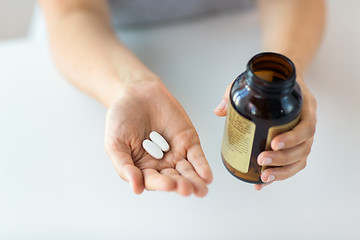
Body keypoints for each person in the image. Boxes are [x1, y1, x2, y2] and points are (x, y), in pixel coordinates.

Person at [37, 0, 325, 196]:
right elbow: (73, 12)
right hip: (110, 43)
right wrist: (130, 86)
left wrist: (289, 71)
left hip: (245, 24)